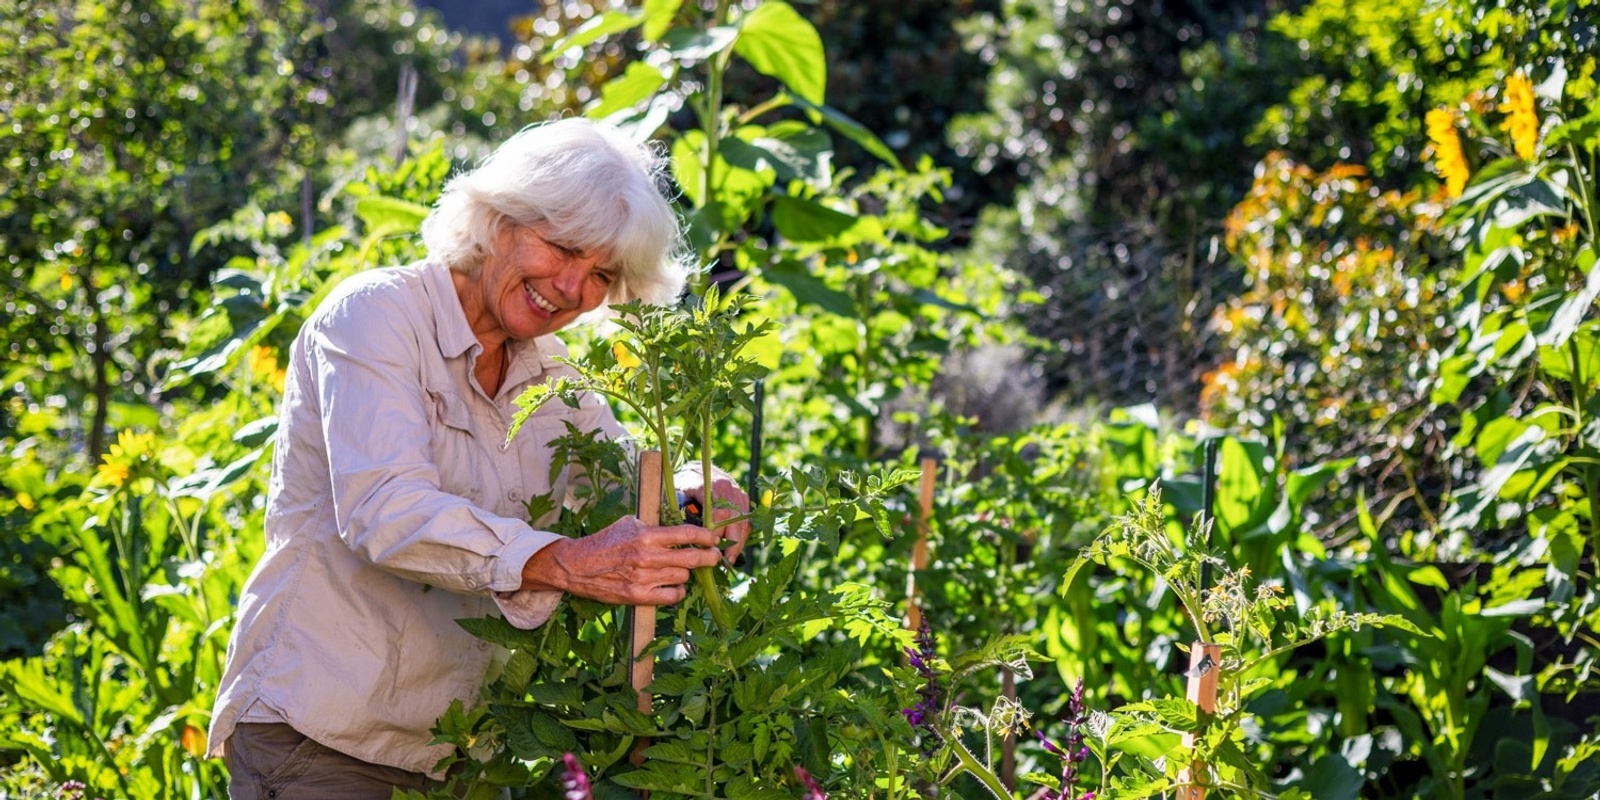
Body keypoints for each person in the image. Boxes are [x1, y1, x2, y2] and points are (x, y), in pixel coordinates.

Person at [207, 118, 750, 798]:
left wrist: (701, 486)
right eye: (563, 247)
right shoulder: (375, 318)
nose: (573, 287)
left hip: (459, 756)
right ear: (498, 221)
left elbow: (627, 479)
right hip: (324, 739)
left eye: (602, 273)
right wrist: (565, 563)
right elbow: (386, 511)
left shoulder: (552, 377)